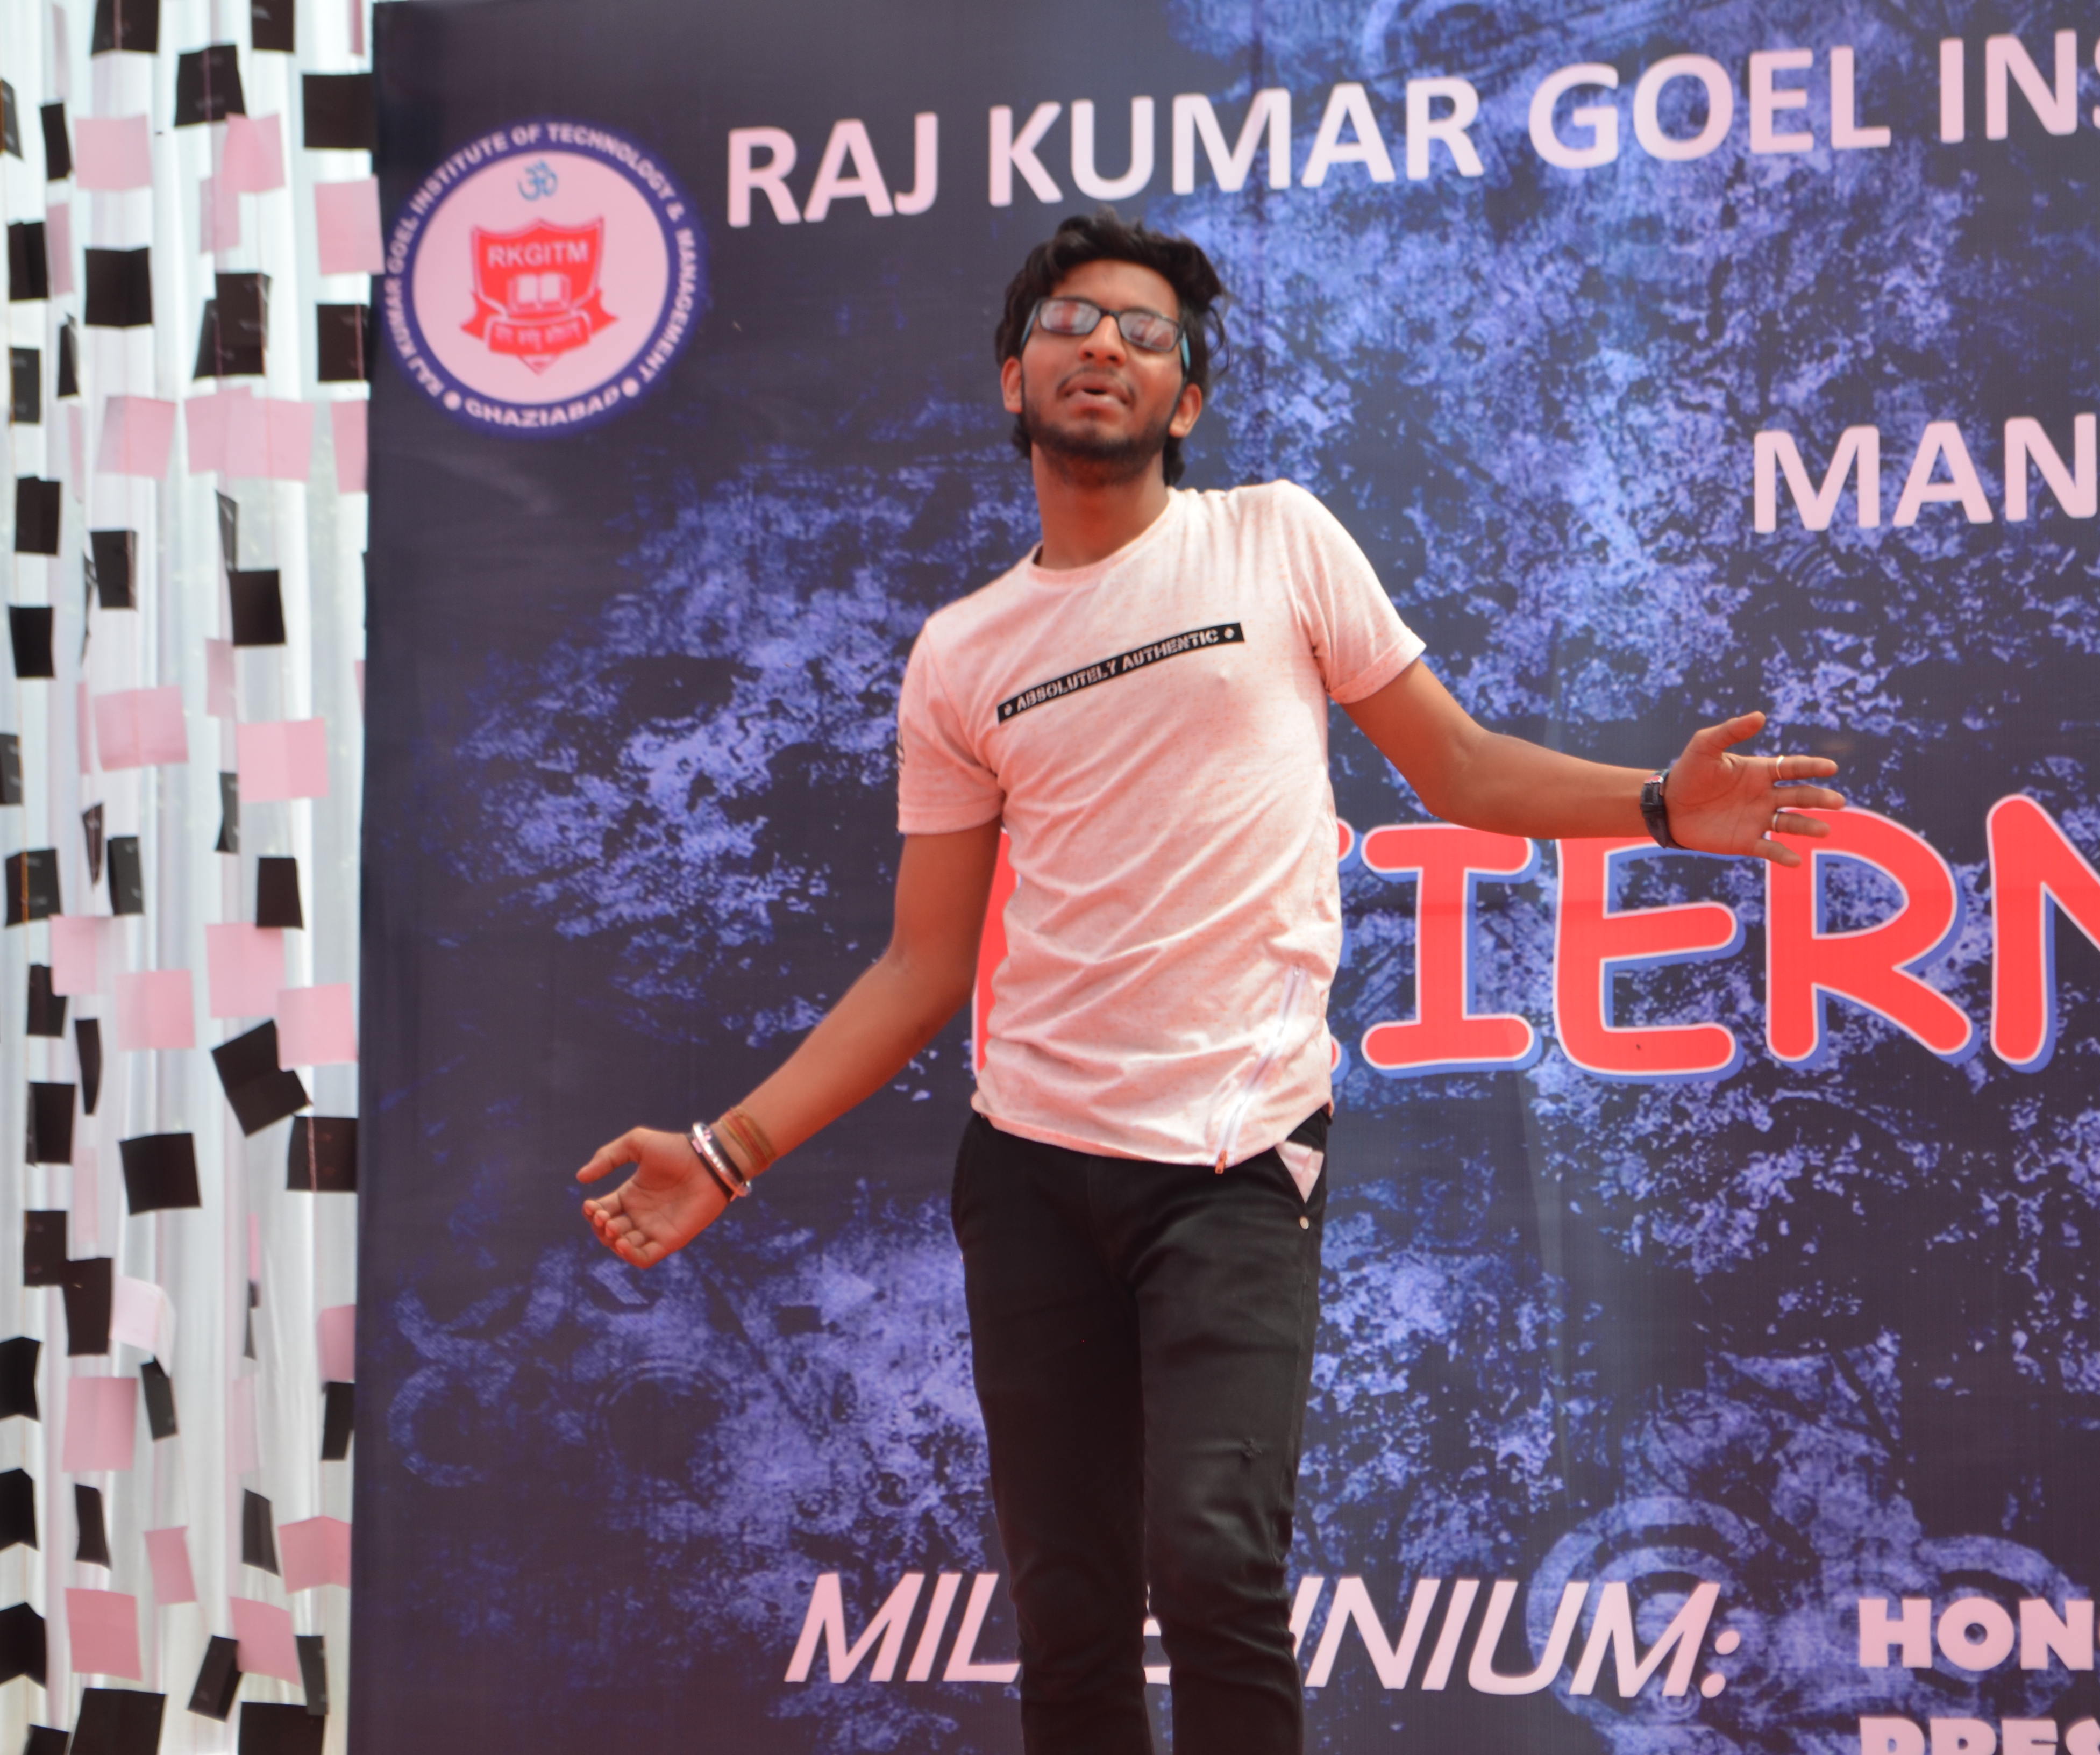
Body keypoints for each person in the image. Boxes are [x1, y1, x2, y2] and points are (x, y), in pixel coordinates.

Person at [575, 209, 1843, 1755]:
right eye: (1068, 322)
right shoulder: (961, 653)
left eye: (1146, 333)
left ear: (1186, 400)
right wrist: (725, 1154)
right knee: (1068, 1613)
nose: (1103, 346)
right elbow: (923, 963)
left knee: (1215, 1564)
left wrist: (1657, 806)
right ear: (1012, 378)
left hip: (1237, 1166)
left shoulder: (1276, 540)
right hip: (1031, 1173)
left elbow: (1458, 769)